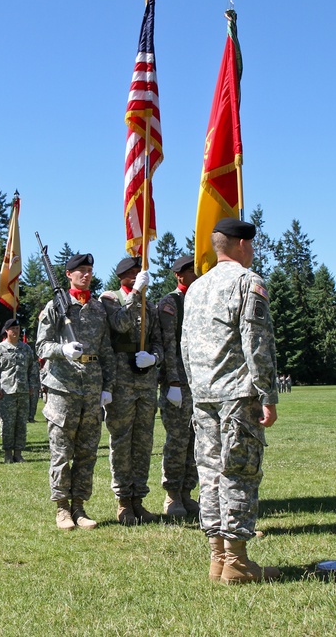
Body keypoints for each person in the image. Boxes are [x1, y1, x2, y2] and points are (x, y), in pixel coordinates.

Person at [182, 218, 280, 585]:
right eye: (251, 244)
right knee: (240, 474)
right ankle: (237, 562)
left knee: (209, 476)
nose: (252, 251)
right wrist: (267, 394)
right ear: (241, 244)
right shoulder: (247, 282)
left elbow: (185, 347)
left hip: (204, 394)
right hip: (238, 394)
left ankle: (218, 558)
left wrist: (196, 387)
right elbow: (257, 343)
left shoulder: (196, 288)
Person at [36, 252, 115, 531]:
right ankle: (61, 509)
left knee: (87, 452)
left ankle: (79, 507)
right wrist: (62, 350)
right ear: (68, 274)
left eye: (89, 270)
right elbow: (41, 346)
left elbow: (106, 351)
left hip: (92, 388)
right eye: (80, 270)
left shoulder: (97, 309)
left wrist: (108, 387)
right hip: (63, 388)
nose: (86, 274)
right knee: (61, 451)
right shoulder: (55, 307)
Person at [100, 256, 165, 524]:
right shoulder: (110, 298)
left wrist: (155, 358)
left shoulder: (150, 306)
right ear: (124, 275)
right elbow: (120, 325)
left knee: (143, 442)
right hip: (121, 380)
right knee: (121, 441)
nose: (141, 275)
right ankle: (123, 501)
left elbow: (159, 341)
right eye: (136, 272)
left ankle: (139, 498)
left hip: (146, 380)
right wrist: (135, 294)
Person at [157, 254, 200, 517]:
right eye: (191, 272)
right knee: (177, 439)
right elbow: (169, 345)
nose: (196, 276)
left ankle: (187, 491)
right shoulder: (171, 303)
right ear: (179, 275)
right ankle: (172, 495)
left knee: (196, 439)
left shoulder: (201, 299)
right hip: (179, 381)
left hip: (200, 381)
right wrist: (172, 380)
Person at [0, 318, 39, 463]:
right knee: (7, 423)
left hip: (22, 392)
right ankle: (8, 453)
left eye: (17, 329)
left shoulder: (26, 349)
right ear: (7, 331)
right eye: (12, 329)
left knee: (21, 423)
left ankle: (18, 452)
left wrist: (31, 386)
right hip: (6, 392)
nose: (15, 332)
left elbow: (33, 370)